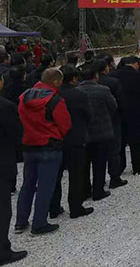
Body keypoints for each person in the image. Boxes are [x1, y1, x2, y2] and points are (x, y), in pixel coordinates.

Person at [15, 68, 71, 235]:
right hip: (49, 146)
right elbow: (65, 125)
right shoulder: (55, 100)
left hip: (29, 145)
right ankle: (39, 223)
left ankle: (20, 221)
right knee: (46, 185)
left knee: (28, 184)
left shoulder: (24, 97)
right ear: (55, 82)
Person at [49, 65, 94, 220]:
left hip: (56, 139)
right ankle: (75, 207)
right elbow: (89, 115)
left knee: (56, 174)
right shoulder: (79, 94)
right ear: (74, 78)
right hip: (76, 138)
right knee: (76, 174)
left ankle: (53, 208)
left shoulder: (53, 94)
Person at [76, 65, 117, 201]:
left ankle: (85, 190)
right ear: (96, 76)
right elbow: (113, 106)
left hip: (84, 132)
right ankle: (98, 190)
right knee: (99, 163)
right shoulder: (103, 90)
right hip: (102, 130)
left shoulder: (77, 91)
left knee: (85, 164)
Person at [0, 72, 27, 266]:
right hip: (2, 163)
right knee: (2, 209)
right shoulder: (5, 107)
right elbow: (17, 135)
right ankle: (3, 251)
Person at [112, 56, 140, 175]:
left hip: (119, 112)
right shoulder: (139, 76)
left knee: (120, 141)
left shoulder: (115, 75)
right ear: (136, 64)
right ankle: (137, 166)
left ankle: (120, 166)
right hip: (135, 111)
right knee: (135, 141)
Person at [96, 59, 128, 189]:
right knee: (114, 150)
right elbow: (119, 102)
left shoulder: (86, 84)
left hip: (94, 122)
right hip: (112, 119)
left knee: (98, 154)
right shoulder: (113, 82)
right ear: (106, 68)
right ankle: (115, 176)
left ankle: (98, 181)